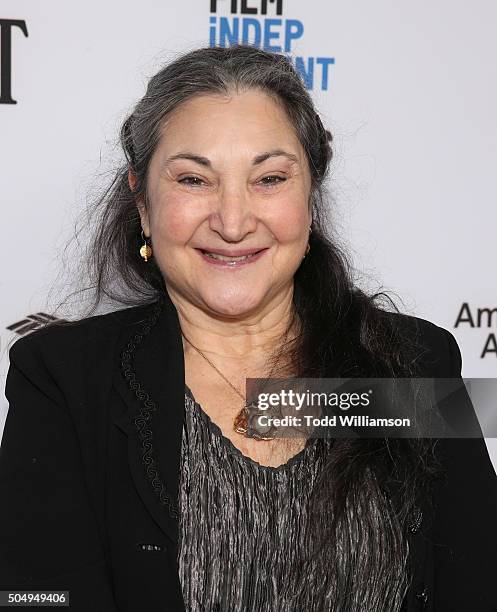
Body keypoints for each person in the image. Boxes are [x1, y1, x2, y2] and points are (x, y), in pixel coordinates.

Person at [1, 44, 496, 612]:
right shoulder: (63, 380)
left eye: (268, 179)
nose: (233, 222)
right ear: (142, 202)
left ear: (310, 195)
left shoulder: (414, 361)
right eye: (193, 179)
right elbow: (36, 597)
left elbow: (477, 583)